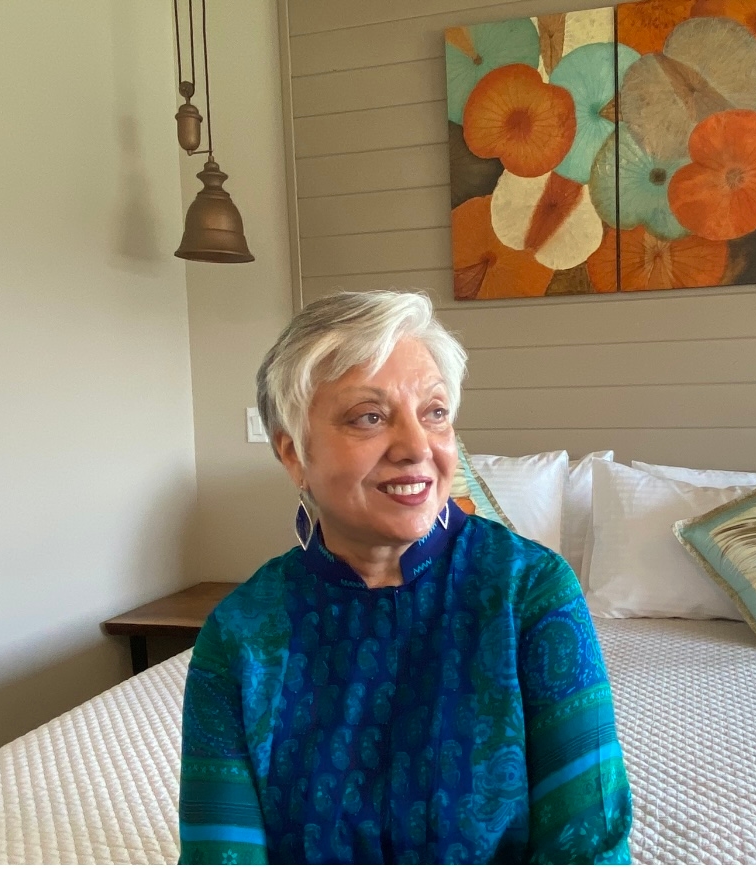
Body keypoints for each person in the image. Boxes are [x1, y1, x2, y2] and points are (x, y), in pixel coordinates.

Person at [178, 290, 632, 864]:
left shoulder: (530, 593)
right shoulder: (242, 632)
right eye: (369, 417)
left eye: (435, 413)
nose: (418, 447)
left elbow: (586, 845)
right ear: (293, 454)